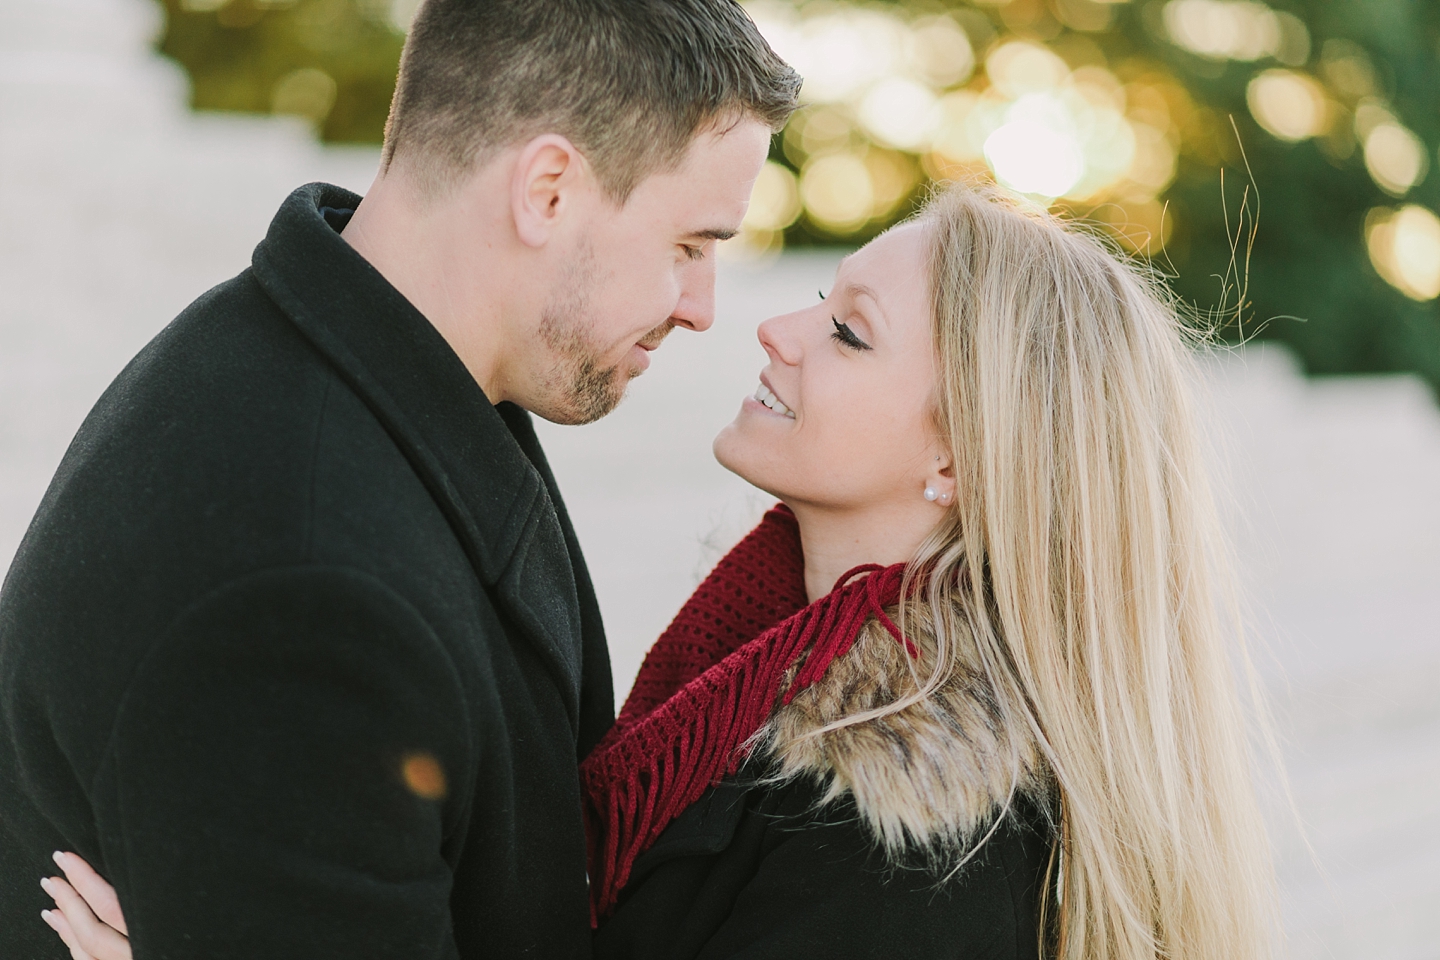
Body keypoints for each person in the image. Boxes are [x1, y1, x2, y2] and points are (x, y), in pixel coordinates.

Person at [41, 185, 1280, 960]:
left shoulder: (910, 849)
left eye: (848, 333)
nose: (776, 332)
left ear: (962, 458)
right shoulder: (757, 674)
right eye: (817, 298)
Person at [0, 0, 799, 957]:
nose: (705, 308)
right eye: (690, 246)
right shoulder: (301, 595)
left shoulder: (356, 363)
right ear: (547, 190)